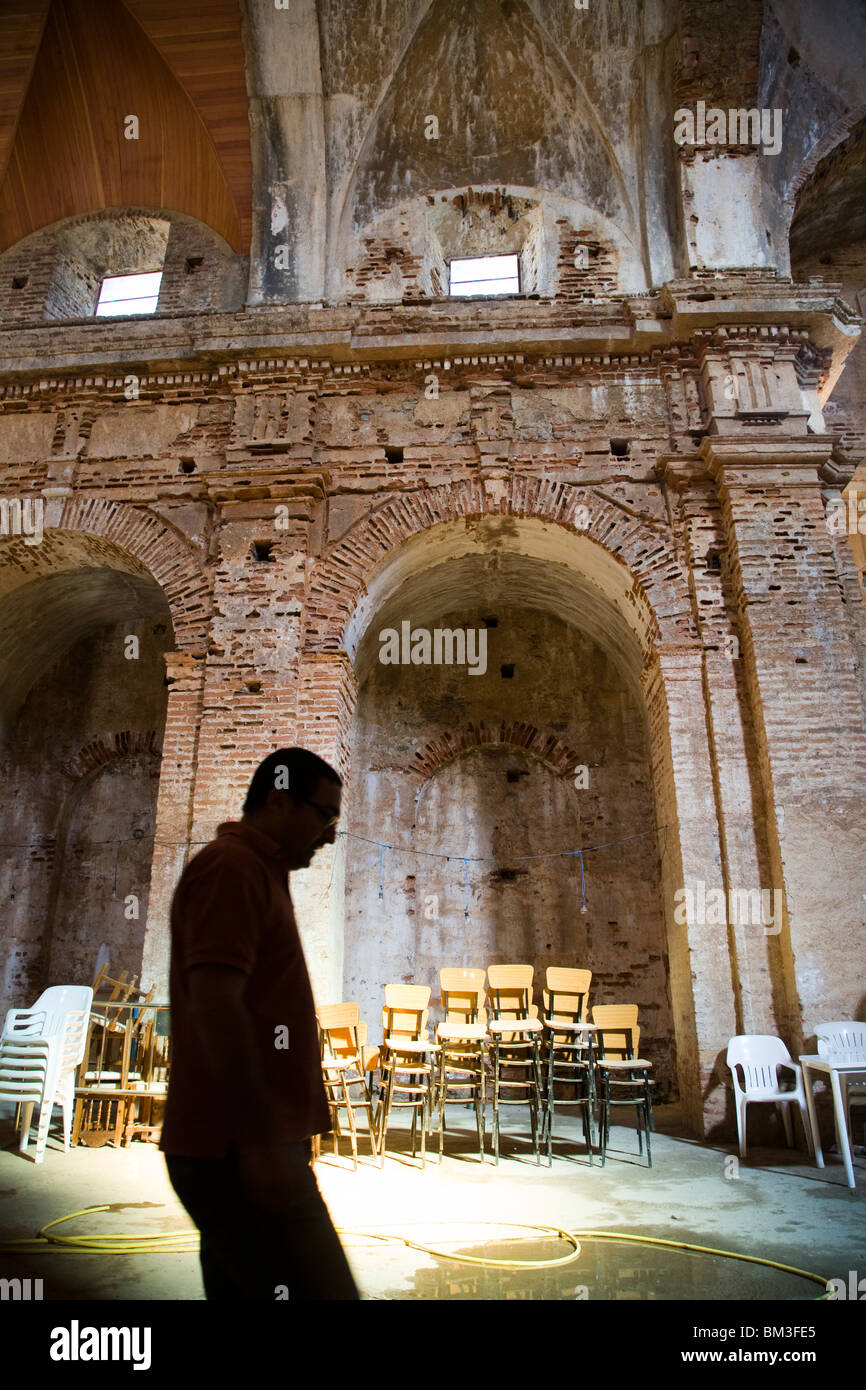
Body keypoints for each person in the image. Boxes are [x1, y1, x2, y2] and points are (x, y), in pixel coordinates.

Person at [161, 747, 360, 1301]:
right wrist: (262, 1144)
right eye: (324, 815)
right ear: (278, 798)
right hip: (236, 1150)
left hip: (245, 1147)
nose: (329, 835)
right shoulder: (232, 869)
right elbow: (217, 1006)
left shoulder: (259, 872)